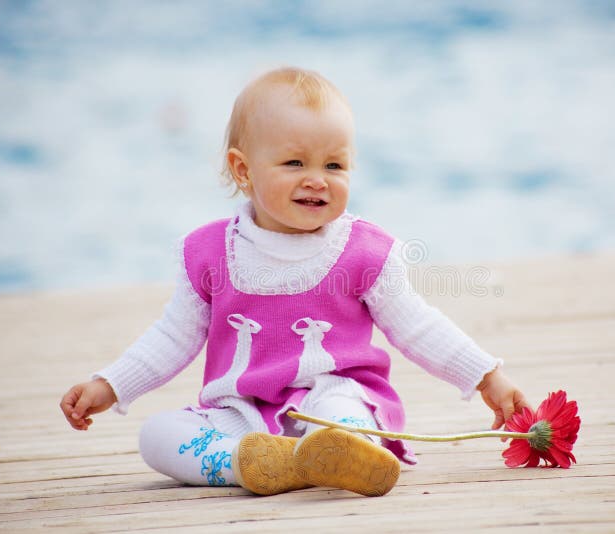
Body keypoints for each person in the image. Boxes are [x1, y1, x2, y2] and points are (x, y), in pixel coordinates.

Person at [60, 67, 530, 497]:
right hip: (242, 412)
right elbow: (173, 336)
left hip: (333, 395)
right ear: (244, 170)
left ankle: (338, 452)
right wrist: (112, 384)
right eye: (294, 164)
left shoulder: (362, 251)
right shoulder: (208, 253)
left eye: (334, 165)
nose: (317, 180)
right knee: (157, 436)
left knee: (341, 422)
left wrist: (485, 375)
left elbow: (418, 326)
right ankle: (254, 465)